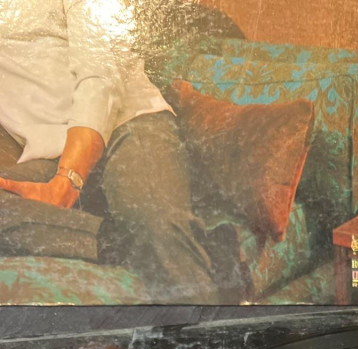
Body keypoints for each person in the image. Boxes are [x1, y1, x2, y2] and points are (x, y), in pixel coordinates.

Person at [0, 0, 219, 302]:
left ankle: (206, 319)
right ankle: (131, 243)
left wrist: (67, 179)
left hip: (129, 124)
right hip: (50, 150)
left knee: (159, 225)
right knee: (148, 237)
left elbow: (100, 75)